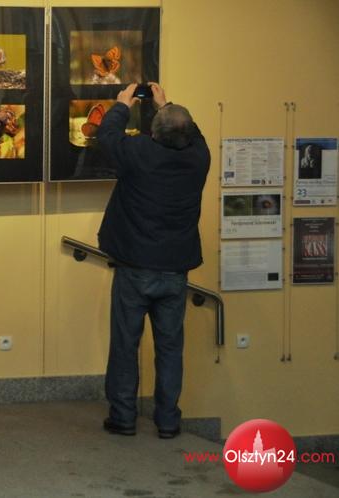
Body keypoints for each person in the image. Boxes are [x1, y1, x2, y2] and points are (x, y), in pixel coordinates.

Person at [96, 83, 210, 439]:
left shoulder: (140, 153)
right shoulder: (199, 159)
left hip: (135, 268)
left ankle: (123, 417)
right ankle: (168, 421)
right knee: (171, 348)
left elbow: (107, 137)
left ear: (154, 133)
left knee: (125, 345)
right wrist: (167, 105)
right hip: (175, 270)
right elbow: (194, 135)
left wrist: (122, 105)